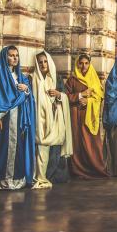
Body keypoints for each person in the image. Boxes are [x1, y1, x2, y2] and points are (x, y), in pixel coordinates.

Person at [32, 51, 73, 189]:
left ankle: (53, 176)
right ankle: (40, 176)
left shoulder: (56, 78)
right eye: (40, 62)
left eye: (45, 61)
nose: (43, 64)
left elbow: (64, 96)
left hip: (55, 119)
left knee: (55, 150)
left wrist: (59, 95)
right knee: (39, 148)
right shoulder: (33, 79)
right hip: (39, 120)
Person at [65, 54, 108, 179]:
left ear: (90, 64)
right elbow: (65, 97)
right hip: (76, 116)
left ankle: (95, 168)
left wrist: (88, 101)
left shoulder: (94, 78)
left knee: (92, 144)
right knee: (77, 143)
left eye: (86, 63)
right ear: (77, 64)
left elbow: (99, 97)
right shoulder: (72, 80)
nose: (83, 66)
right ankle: (78, 170)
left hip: (90, 117)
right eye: (81, 63)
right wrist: (80, 95)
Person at [0, 46, 35, 190]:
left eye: (16, 56)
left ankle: (16, 178)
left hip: (19, 117)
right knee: (3, 147)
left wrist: (26, 90)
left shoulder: (21, 76)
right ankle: (3, 179)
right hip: (5, 118)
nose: (14, 58)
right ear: (4, 57)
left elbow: (29, 96)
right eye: (11, 55)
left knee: (17, 147)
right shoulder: (0, 76)